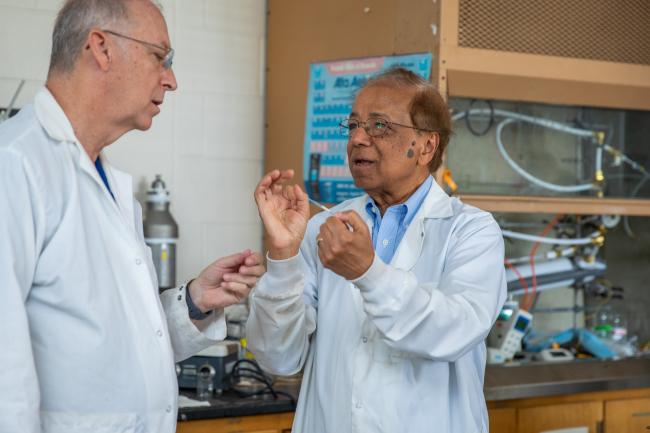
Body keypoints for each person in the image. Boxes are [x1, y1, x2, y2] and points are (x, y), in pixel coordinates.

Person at [0, 1, 264, 432]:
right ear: (101, 48)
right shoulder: (15, 166)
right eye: (160, 57)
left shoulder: (109, 185)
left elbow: (118, 342)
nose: (171, 80)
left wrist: (195, 302)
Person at [248, 67, 507, 433]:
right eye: (353, 125)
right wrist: (283, 257)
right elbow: (278, 357)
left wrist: (368, 274)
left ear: (426, 146)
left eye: (379, 126)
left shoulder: (471, 231)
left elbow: (455, 331)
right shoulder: (324, 228)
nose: (357, 138)